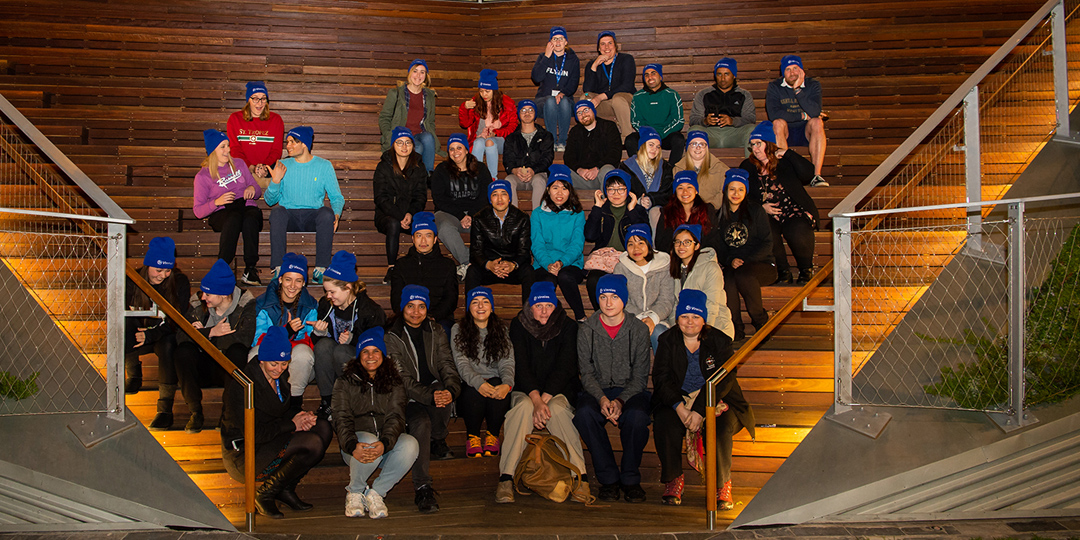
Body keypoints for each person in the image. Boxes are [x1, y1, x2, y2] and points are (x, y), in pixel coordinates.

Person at [652, 289, 755, 509]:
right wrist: (680, 408)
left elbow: (724, 381)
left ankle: (721, 484)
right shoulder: (667, 340)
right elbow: (661, 379)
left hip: (717, 399)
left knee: (719, 427)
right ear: (677, 318)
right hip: (678, 399)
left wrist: (699, 410)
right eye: (684, 316)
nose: (690, 322)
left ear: (704, 318)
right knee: (664, 421)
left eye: (695, 317)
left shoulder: (720, 341)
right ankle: (673, 480)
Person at [219, 326, 332, 519]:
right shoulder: (242, 386)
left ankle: (285, 488)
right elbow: (253, 433)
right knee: (311, 443)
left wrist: (302, 417)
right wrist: (293, 424)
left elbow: (282, 411)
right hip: (246, 451)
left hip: (272, 436)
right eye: (274, 364)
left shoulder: (279, 376)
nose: (279, 369)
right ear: (262, 359)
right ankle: (265, 493)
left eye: (284, 363)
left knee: (323, 427)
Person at [496, 281, 588, 504]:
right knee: (521, 409)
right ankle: (506, 478)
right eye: (539, 306)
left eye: (549, 305)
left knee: (557, 410)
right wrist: (536, 399)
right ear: (530, 307)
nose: (544, 310)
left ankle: (580, 477)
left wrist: (545, 399)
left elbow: (567, 365)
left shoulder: (568, 326)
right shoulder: (519, 325)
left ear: (555, 306)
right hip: (527, 390)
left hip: (559, 390)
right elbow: (520, 364)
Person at [384, 285, 462, 514]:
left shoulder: (435, 329)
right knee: (421, 423)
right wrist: (430, 395)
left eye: (421, 307)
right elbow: (402, 380)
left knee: (443, 389)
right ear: (402, 308)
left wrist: (452, 388)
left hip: (432, 390)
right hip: (405, 397)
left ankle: (438, 438)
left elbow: (446, 363)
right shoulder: (392, 335)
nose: (416, 312)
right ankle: (423, 487)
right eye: (410, 306)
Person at [574, 274, 652, 503]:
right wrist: (601, 399)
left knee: (637, 417)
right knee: (584, 414)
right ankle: (608, 479)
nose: (608, 303)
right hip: (596, 390)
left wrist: (620, 401)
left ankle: (630, 479)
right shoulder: (586, 329)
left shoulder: (638, 329)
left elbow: (639, 377)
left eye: (614, 297)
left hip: (630, 391)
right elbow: (585, 373)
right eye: (603, 297)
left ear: (624, 300)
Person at [334, 326, 419, 519]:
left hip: (384, 444)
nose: (370, 356)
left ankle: (376, 493)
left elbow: (396, 417)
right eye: (365, 351)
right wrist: (350, 445)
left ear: (383, 355)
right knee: (369, 440)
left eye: (376, 351)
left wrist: (386, 443)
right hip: (356, 447)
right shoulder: (345, 382)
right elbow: (341, 417)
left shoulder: (394, 381)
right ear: (358, 355)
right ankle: (355, 492)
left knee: (410, 444)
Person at [175, 259, 257, 433]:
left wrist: (201, 337)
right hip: (203, 366)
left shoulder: (245, 305)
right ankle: (195, 411)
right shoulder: (198, 303)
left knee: (237, 352)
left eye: (208, 294)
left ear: (223, 294)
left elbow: (244, 339)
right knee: (183, 351)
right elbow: (181, 335)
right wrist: (211, 332)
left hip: (226, 368)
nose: (203, 297)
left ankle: (227, 414)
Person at [739, 121, 819, 285]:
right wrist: (761, 206)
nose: (755, 148)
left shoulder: (785, 160)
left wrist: (789, 153)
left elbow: (809, 174)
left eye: (758, 144)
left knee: (797, 229)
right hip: (767, 213)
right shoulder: (747, 166)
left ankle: (806, 269)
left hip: (793, 210)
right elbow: (743, 195)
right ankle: (783, 272)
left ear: (768, 144)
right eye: (752, 145)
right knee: (766, 230)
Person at [312, 250, 387, 418]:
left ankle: (352, 400)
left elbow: (375, 348)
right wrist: (319, 332)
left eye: (332, 292)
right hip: (333, 358)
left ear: (347, 288)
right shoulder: (326, 304)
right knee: (323, 345)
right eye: (326, 292)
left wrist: (354, 340)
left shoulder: (370, 310)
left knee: (341, 351)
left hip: (358, 360)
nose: (328, 296)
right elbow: (317, 342)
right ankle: (328, 401)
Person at [265, 126, 344, 284]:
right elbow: (270, 200)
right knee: (276, 212)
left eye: (293, 142)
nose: (288, 146)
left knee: (326, 213)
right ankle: (279, 268)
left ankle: (321, 269)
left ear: (305, 144)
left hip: (312, 216)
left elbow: (336, 197)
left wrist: (336, 214)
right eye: (287, 142)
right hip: (289, 215)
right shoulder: (282, 164)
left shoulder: (324, 166)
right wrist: (275, 181)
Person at [126, 237, 190, 429]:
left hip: (163, 333)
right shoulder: (133, 280)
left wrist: (151, 335)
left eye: (167, 270)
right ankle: (133, 374)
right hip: (139, 331)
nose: (162, 275)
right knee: (124, 325)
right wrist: (141, 332)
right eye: (158, 270)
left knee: (169, 345)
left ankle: (165, 409)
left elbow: (177, 320)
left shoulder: (179, 282)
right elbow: (126, 313)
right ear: (148, 266)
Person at [193, 129, 263, 286]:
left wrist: (252, 189)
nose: (228, 150)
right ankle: (222, 266)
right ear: (212, 151)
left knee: (250, 219)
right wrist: (217, 202)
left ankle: (250, 268)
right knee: (234, 219)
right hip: (223, 211)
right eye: (223, 147)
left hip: (245, 206)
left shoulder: (239, 164)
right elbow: (198, 211)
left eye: (228, 146)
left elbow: (256, 190)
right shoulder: (203, 176)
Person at [713, 169, 776, 341]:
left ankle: (761, 322)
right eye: (732, 189)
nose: (736, 193)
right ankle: (736, 329)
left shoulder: (756, 211)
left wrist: (746, 261)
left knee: (743, 274)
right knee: (728, 278)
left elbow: (767, 243)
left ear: (746, 191)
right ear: (725, 191)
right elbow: (720, 248)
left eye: (740, 189)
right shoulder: (719, 216)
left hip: (762, 264)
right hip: (734, 266)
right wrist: (730, 260)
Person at [451, 287, 514, 458]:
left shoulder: (501, 329)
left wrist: (507, 384)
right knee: (473, 392)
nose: (480, 306)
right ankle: (473, 436)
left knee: (498, 386)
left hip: (495, 379)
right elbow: (462, 363)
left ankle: (492, 435)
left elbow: (507, 361)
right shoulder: (458, 329)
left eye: (485, 302)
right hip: (469, 382)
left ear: (491, 307)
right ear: (469, 308)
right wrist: (479, 383)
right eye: (475, 302)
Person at [249, 252, 318, 401]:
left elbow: (310, 341)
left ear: (304, 283)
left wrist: (319, 331)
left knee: (303, 354)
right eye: (288, 279)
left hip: (297, 364)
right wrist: (285, 331)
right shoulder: (263, 304)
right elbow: (257, 340)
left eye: (298, 281)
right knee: (254, 354)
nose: (292, 286)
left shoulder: (310, 305)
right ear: (280, 279)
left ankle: (293, 403)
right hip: (272, 355)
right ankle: (261, 402)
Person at [583, 169, 648, 309]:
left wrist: (632, 211)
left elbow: (643, 239)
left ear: (628, 190)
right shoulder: (601, 209)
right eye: (611, 189)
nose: (616, 194)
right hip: (604, 260)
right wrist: (596, 208)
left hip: (629, 259)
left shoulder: (638, 211)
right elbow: (589, 236)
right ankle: (599, 316)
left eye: (620, 189)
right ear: (605, 191)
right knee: (593, 280)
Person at [373, 126, 429, 284]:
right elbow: (381, 198)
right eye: (400, 143)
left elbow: (421, 196)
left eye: (408, 143)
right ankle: (392, 267)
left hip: (411, 214)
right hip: (387, 215)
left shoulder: (418, 166)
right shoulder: (383, 167)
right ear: (393, 145)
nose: (404, 147)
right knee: (393, 224)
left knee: (426, 226)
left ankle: (425, 266)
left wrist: (410, 213)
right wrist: (399, 216)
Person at [388, 212, 460, 335]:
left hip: (439, 319)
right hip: (408, 317)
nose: (423, 240)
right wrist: (412, 316)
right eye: (418, 235)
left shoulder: (447, 265)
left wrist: (433, 317)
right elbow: (396, 299)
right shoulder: (401, 265)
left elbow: (451, 299)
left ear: (435, 239)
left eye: (428, 235)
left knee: (443, 331)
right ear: (413, 238)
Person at [531, 164, 587, 321]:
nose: (560, 193)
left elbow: (577, 244)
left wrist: (561, 262)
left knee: (564, 277)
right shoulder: (538, 214)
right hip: (543, 264)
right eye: (555, 188)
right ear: (548, 190)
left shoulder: (577, 214)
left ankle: (581, 317)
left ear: (570, 191)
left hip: (570, 263)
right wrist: (549, 264)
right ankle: (545, 322)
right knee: (547, 280)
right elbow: (537, 244)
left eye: (564, 188)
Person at [465, 179, 535, 303]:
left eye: (504, 193)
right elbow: (476, 252)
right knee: (472, 271)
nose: (499, 199)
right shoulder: (479, 218)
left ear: (509, 198)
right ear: (490, 199)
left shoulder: (522, 218)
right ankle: (470, 317)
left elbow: (524, 252)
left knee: (528, 271)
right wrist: (489, 264)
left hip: (512, 268)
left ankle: (528, 316)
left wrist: (513, 264)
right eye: (495, 194)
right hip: (489, 267)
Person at [430, 133, 491, 274]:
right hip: (449, 214)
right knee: (444, 227)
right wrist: (460, 216)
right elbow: (439, 199)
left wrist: (470, 215)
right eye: (451, 149)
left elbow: (485, 196)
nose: (455, 152)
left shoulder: (481, 169)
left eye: (459, 148)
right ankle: (469, 262)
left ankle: (489, 261)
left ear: (466, 149)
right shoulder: (441, 170)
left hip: (476, 213)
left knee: (491, 223)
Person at [766, 55, 828, 186]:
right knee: (777, 123)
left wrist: (798, 89)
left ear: (802, 71)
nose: (792, 73)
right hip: (785, 131)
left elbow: (815, 112)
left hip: (806, 132)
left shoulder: (813, 85)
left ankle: (816, 176)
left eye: (795, 68)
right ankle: (787, 175)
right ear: (783, 73)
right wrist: (803, 116)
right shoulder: (774, 86)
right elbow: (774, 114)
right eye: (788, 69)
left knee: (817, 122)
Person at [665, 224, 735, 340]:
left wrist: (704, 333)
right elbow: (674, 305)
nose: (681, 246)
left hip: (714, 327)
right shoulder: (674, 269)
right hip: (686, 329)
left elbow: (712, 304)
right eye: (677, 242)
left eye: (687, 242)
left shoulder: (711, 267)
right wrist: (677, 329)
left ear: (696, 245)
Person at [615, 224, 674, 351]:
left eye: (640, 243)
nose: (636, 248)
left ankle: (662, 370)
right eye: (630, 244)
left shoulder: (663, 266)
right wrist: (640, 318)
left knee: (659, 333)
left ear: (648, 244)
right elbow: (621, 300)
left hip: (659, 319)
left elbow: (666, 299)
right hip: (631, 318)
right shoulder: (621, 268)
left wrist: (652, 318)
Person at [379, 59, 440, 173]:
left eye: (422, 72)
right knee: (417, 147)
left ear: (426, 76)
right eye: (415, 71)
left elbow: (430, 121)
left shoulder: (429, 96)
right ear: (409, 73)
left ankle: (427, 175)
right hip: (401, 136)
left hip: (419, 134)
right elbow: (384, 117)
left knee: (428, 138)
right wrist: (389, 136)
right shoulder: (396, 93)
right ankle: (410, 177)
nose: (418, 75)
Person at [458, 69, 518, 179]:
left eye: (487, 91)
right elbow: (464, 123)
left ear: (494, 91)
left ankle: (492, 177)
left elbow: (513, 126)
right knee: (479, 142)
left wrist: (496, 133)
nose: (484, 94)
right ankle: (475, 176)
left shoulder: (507, 103)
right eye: (481, 91)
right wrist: (464, 108)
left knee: (490, 142)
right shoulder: (476, 101)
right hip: (480, 137)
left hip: (500, 139)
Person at [688, 58, 756, 151]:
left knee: (752, 129)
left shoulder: (744, 95)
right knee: (694, 130)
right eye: (719, 74)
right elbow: (693, 119)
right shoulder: (704, 94)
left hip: (734, 133)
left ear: (734, 75)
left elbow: (750, 118)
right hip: (710, 134)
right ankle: (695, 165)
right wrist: (705, 121)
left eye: (726, 74)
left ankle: (751, 165)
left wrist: (733, 121)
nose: (722, 78)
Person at [530, 26, 580, 152]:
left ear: (566, 42)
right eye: (555, 39)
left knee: (562, 101)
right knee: (551, 101)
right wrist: (547, 57)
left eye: (561, 39)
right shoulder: (543, 57)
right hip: (543, 101)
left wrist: (563, 93)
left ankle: (562, 142)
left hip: (565, 101)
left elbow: (574, 83)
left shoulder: (573, 59)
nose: (558, 42)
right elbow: (536, 77)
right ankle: (551, 141)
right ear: (550, 42)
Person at [227, 81, 284, 189]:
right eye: (255, 98)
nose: (260, 103)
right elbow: (235, 149)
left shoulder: (276, 120)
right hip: (242, 169)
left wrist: (264, 167)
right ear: (248, 100)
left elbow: (276, 151)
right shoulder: (235, 119)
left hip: (265, 170)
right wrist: (251, 167)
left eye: (263, 98)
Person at [626, 64, 685, 163]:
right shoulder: (638, 96)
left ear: (660, 76)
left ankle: (670, 172)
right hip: (646, 136)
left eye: (653, 74)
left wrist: (660, 134)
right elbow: (635, 121)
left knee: (679, 139)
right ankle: (640, 169)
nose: (650, 77)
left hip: (665, 134)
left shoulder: (672, 94)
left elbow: (679, 121)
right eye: (646, 75)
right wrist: (649, 134)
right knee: (630, 140)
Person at [582, 30, 636, 139]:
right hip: (605, 104)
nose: (606, 47)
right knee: (585, 98)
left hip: (624, 100)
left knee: (617, 99)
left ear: (615, 46)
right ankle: (590, 136)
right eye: (603, 44)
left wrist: (602, 96)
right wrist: (594, 66)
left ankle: (627, 137)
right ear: (598, 48)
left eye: (610, 43)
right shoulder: (592, 64)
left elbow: (627, 86)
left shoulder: (626, 59)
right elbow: (587, 89)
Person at [620, 126, 674, 231]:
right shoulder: (626, 167)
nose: (655, 149)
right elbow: (622, 190)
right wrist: (638, 201)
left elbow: (668, 192)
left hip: (658, 208)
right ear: (642, 146)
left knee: (655, 212)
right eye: (651, 145)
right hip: (633, 206)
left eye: (658, 147)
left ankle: (655, 246)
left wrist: (651, 199)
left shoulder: (665, 167)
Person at [503, 100, 554, 210]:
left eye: (531, 110)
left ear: (535, 114)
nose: (527, 113)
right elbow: (508, 159)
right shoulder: (511, 138)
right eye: (523, 110)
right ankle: (514, 220)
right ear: (519, 114)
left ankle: (537, 218)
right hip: (518, 175)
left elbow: (547, 158)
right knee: (508, 180)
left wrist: (533, 170)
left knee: (538, 180)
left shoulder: (546, 136)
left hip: (538, 173)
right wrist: (514, 170)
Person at [564, 100, 623, 190]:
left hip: (601, 173)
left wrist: (597, 168)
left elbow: (615, 152)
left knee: (607, 169)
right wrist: (579, 169)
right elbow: (569, 155)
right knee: (560, 172)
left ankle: (606, 202)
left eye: (586, 110)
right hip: (581, 177)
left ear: (593, 111)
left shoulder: (609, 126)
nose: (583, 115)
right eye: (579, 113)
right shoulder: (575, 131)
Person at [654, 170, 716, 254]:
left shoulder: (707, 210)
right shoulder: (667, 212)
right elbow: (661, 244)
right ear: (675, 192)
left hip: (701, 258)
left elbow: (712, 240)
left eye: (689, 187)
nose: (685, 192)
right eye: (680, 188)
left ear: (696, 190)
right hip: (675, 258)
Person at [674, 130, 729, 209]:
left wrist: (708, 208)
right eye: (693, 144)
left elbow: (723, 194)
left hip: (712, 212)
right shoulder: (678, 169)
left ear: (707, 148)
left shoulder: (721, 169)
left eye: (702, 144)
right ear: (687, 147)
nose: (698, 147)